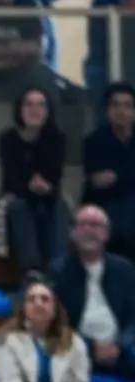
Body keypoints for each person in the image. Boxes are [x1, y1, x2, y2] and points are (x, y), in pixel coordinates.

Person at [47, 205, 135, 381]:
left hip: (121, 348)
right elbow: (56, 322)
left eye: (95, 225)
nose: (88, 231)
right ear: (73, 233)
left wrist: (119, 344)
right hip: (79, 348)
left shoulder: (124, 269)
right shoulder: (59, 271)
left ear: (106, 234)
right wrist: (91, 346)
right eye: (83, 225)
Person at [0, 87, 69, 276]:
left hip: (47, 197)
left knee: (60, 207)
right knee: (20, 206)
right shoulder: (8, 139)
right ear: (20, 109)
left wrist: (44, 186)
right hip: (17, 197)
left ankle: (58, 269)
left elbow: (54, 176)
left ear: (48, 111)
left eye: (41, 105)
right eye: (29, 104)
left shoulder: (57, 139)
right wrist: (33, 185)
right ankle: (32, 272)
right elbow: (13, 179)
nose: (35, 110)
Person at [81, 82, 135, 257]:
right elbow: (97, 182)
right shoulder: (94, 141)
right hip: (105, 206)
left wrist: (117, 177)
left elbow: (114, 178)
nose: (122, 111)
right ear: (107, 110)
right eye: (116, 105)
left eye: (127, 106)